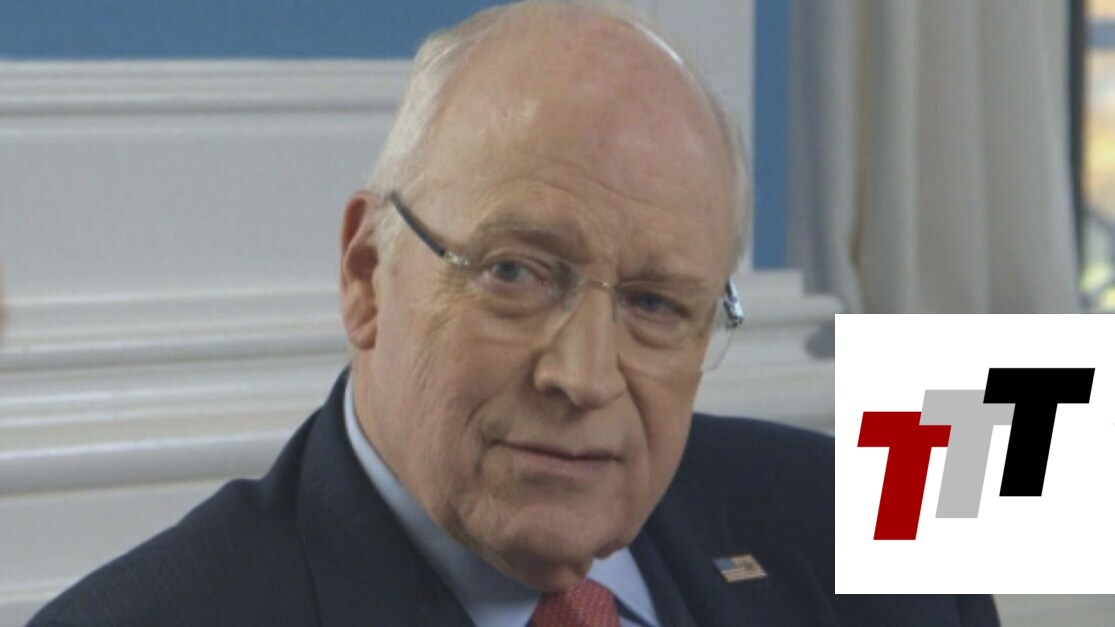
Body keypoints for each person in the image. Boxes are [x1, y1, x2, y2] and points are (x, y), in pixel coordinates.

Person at [30, 2, 998, 625]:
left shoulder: (877, 530)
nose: (581, 376)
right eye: (515, 272)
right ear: (366, 276)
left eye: (655, 303)